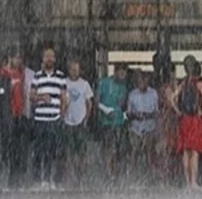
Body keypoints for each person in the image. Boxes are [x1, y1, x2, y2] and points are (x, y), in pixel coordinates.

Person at [169, 56, 202, 190]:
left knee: (185, 151)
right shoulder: (198, 83)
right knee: (194, 151)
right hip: (194, 119)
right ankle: (194, 181)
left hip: (184, 119)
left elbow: (172, 98)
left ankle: (187, 182)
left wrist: (177, 111)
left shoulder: (183, 83)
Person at [30, 46, 68, 190]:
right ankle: (39, 181)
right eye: (46, 56)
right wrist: (41, 97)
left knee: (54, 152)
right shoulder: (37, 76)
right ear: (43, 58)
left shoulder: (61, 76)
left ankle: (55, 181)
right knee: (39, 152)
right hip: (40, 120)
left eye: (51, 56)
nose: (49, 59)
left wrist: (62, 116)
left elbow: (64, 97)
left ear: (55, 59)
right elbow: (31, 96)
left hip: (54, 120)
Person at [63, 59, 94, 188]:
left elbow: (89, 103)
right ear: (68, 70)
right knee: (68, 152)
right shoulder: (64, 83)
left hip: (81, 122)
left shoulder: (85, 84)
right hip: (67, 122)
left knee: (81, 153)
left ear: (79, 70)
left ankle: (82, 179)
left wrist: (86, 118)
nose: (74, 72)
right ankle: (70, 179)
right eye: (72, 69)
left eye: (76, 69)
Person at [97, 63, 129, 184]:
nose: (123, 76)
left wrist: (125, 116)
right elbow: (96, 101)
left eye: (124, 74)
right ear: (115, 72)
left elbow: (121, 105)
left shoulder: (124, 87)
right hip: (106, 123)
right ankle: (108, 174)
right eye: (121, 73)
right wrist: (105, 110)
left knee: (118, 150)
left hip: (119, 123)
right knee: (108, 149)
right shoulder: (104, 83)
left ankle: (116, 174)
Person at [2, 48, 29, 189]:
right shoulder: (3, 74)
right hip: (6, 118)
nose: (19, 61)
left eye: (20, 58)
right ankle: (5, 181)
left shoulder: (20, 74)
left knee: (17, 150)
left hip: (18, 117)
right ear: (10, 58)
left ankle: (15, 181)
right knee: (6, 150)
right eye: (16, 58)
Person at [127, 71, 159, 185]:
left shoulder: (154, 93)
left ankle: (152, 179)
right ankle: (131, 178)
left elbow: (157, 112)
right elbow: (128, 114)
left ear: (148, 81)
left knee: (149, 153)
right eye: (140, 81)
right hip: (136, 128)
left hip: (149, 127)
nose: (142, 83)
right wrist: (136, 115)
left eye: (144, 81)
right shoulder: (132, 94)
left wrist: (147, 115)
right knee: (133, 153)